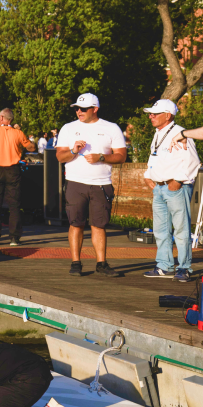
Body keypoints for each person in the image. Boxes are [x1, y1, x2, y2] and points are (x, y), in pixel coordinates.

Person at [55, 93, 127, 277]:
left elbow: (121, 156)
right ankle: (76, 262)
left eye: (83, 109)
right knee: (76, 224)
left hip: (101, 184)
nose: (79, 112)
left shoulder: (111, 128)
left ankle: (101, 263)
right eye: (77, 108)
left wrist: (101, 157)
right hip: (75, 183)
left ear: (95, 109)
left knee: (99, 225)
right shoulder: (68, 128)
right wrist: (74, 151)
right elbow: (60, 157)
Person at [143, 100, 199, 281]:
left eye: (155, 113)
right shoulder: (158, 133)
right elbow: (155, 158)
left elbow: (193, 161)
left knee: (181, 230)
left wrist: (177, 181)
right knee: (160, 230)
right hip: (160, 188)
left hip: (175, 188)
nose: (151, 116)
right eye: (151, 113)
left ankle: (184, 267)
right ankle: (164, 265)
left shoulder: (180, 133)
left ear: (168, 115)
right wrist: (148, 176)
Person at [0, 109, 35, 247]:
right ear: (10, 120)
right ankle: (14, 238)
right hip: (13, 170)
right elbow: (31, 147)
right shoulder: (18, 133)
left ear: (1, 118)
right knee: (14, 204)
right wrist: (21, 134)